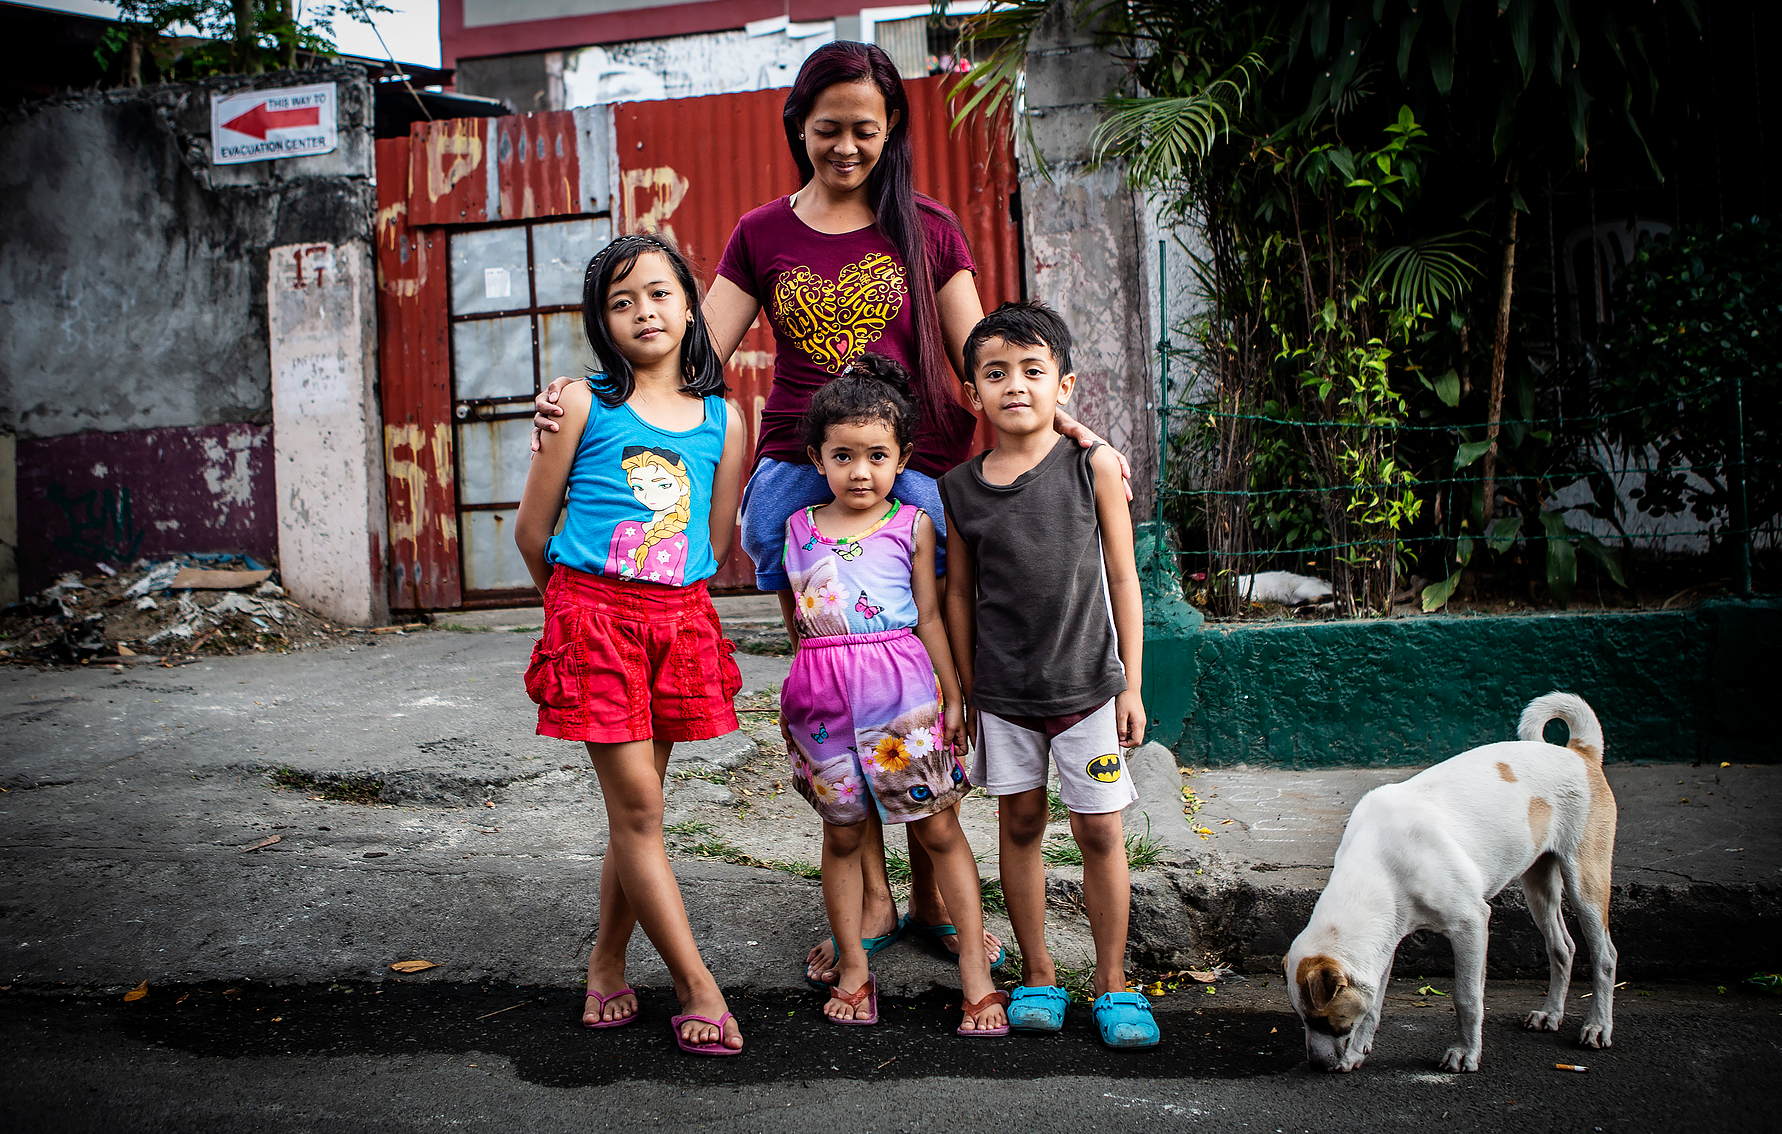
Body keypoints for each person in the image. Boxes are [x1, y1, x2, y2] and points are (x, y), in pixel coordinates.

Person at [534, 40, 1130, 987]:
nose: (846, 147)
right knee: (836, 685)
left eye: (865, 129)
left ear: (890, 131)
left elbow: (983, 349)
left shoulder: (928, 226)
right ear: (798, 131)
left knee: (926, 690)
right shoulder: (762, 231)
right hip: (796, 476)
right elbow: (696, 352)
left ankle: (937, 895)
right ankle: (873, 896)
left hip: (916, 469)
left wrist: (1073, 426)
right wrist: (585, 399)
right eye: (827, 130)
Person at [514, 233, 749, 1055]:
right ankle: (696, 985)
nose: (644, 311)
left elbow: (713, 539)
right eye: (622, 301)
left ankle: (608, 961)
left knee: (635, 809)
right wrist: (579, 614)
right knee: (643, 811)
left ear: (691, 305)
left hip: (678, 620)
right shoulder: (581, 404)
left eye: (658, 293)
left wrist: (667, 597)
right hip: (594, 617)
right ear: (601, 323)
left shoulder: (726, 415)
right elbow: (532, 531)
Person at [939, 300, 1159, 1049]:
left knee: (1100, 829)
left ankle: (1113, 984)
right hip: (1003, 697)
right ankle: (1038, 974)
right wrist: (965, 691)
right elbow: (960, 595)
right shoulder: (959, 488)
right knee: (1020, 823)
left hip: (1089, 690)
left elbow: (1124, 580)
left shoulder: (1091, 463)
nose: (1015, 386)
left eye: (1034, 371)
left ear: (1064, 384)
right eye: (995, 373)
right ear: (973, 393)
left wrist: (1130, 683)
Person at [779, 353, 1006, 1035]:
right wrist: (806, 690)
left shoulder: (913, 524)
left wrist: (955, 694)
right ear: (817, 459)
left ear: (902, 457)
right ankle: (854, 966)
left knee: (937, 824)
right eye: (842, 456)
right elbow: (797, 622)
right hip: (822, 703)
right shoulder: (796, 529)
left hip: (901, 696)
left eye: (876, 455)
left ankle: (975, 974)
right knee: (842, 831)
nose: (859, 471)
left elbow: (931, 614)